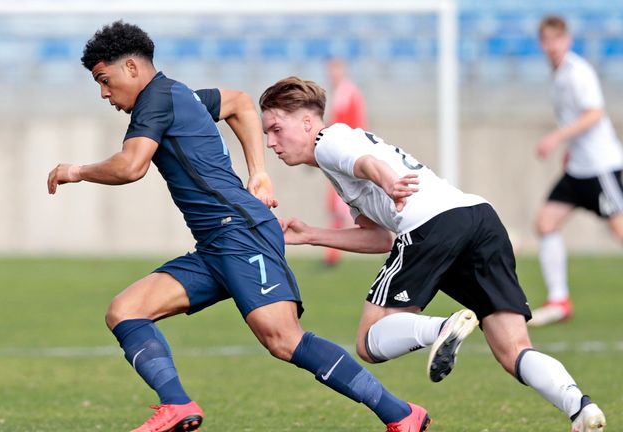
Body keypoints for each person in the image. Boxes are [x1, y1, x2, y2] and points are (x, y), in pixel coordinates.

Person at [47, 21, 430, 432]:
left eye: (105, 81)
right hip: (215, 244)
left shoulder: (155, 100)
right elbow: (239, 103)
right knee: (125, 311)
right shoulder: (182, 94)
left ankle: (402, 414)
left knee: (283, 339)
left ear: (132, 69)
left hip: (241, 233)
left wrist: (77, 170)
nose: (105, 93)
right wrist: (259, 172)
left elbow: (131, 165)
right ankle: (177, 405)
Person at [258, 76, 607, 432]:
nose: (270, 142)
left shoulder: (328, 140)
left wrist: (388, 180)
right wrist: (312, 235)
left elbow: (365, 163)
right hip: (479, 218)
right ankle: (580, 407)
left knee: (368, 340)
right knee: (512, 349)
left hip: (431, 225)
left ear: (306, 121)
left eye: (275, 128)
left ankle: (444, 326)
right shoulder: (336, 157)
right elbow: (379, 238)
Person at [531, 15, 623, 327]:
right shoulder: (556, 75)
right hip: (578, 168)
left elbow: (595, 113)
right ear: (541, 43)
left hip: (600, 166)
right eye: (546, 40)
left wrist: (557, 138)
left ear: (567, 41)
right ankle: (559, 299)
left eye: (557, 40)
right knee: (545, 223)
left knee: (619, 229)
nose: (552, 46)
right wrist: (570, 151)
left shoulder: (577, 72)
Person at [323, 58, 368, 267]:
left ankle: (333, 255)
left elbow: (344, 124)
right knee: (338, 205)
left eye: (336, 69)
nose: (332, 74)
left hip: (346, 155)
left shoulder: (346, 92)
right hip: (342, 155)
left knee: (343, 204)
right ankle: (332, 255)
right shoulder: (341, 92)